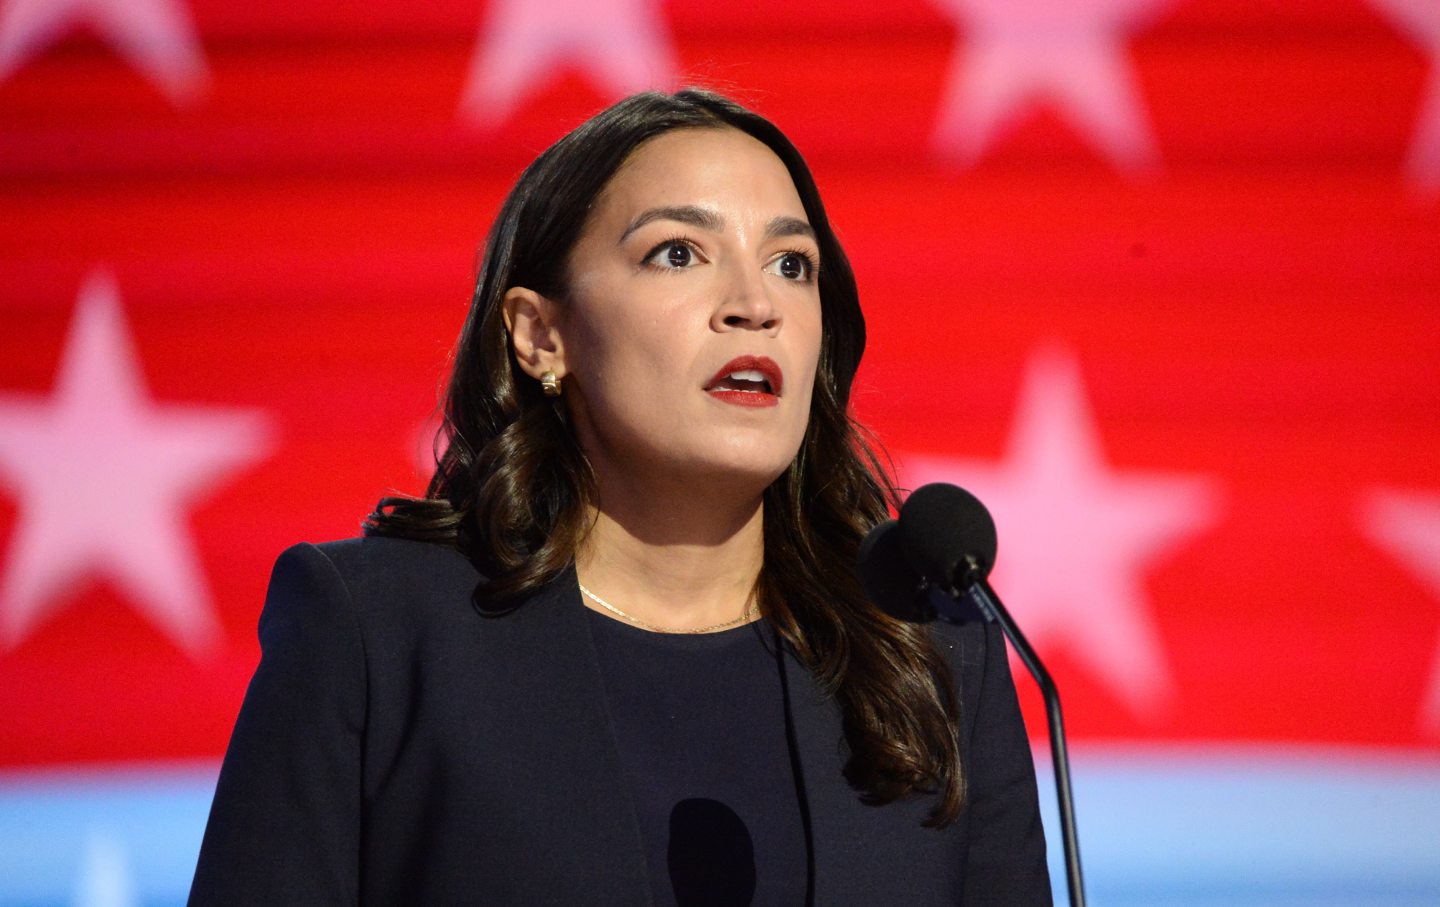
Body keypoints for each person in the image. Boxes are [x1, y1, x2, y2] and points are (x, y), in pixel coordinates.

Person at [188, 88, 1051, 906]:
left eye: (792, 264)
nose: (756, 306)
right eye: (678, 252)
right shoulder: (377, 635)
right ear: (539, 335)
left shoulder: (931, 656)